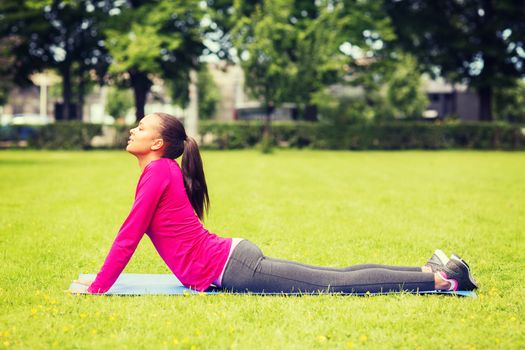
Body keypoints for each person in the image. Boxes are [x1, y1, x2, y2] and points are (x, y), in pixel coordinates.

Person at [72, 112, 479, 295]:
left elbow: (130, 234)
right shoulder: (160, 172)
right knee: (332, 275)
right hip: (233, 259)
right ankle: (429, 270)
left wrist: (99, 287)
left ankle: (440, 280)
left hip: (234, 267)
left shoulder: (158, 171)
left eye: (140, 127)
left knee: (333, 284)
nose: (132, 130)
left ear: (157, 143)